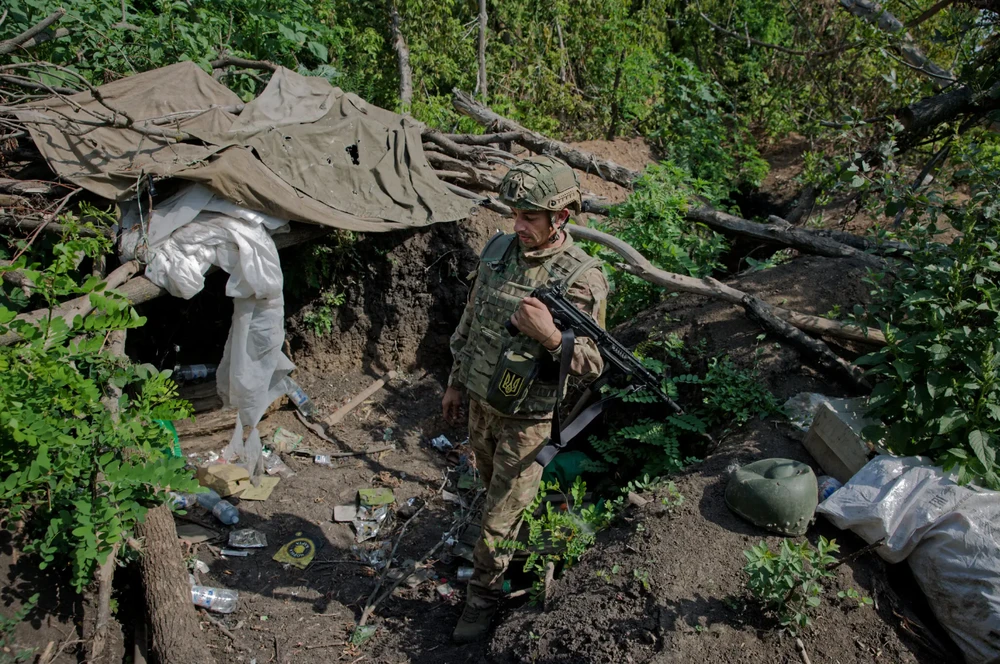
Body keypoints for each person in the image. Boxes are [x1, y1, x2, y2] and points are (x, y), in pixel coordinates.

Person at [442, 155, 609, 643]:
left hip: (527, 420)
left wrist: (552, 337)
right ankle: (517, 552)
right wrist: (455, 381)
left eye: (529, 217)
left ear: (561, 217)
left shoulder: (581, 277)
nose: (518, 225)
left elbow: (593, 364)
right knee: (493, 495)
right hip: (482, 403)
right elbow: (472, 322)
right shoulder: (499, 251)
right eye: (515, 214)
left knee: (496, 520)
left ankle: (482, 602)